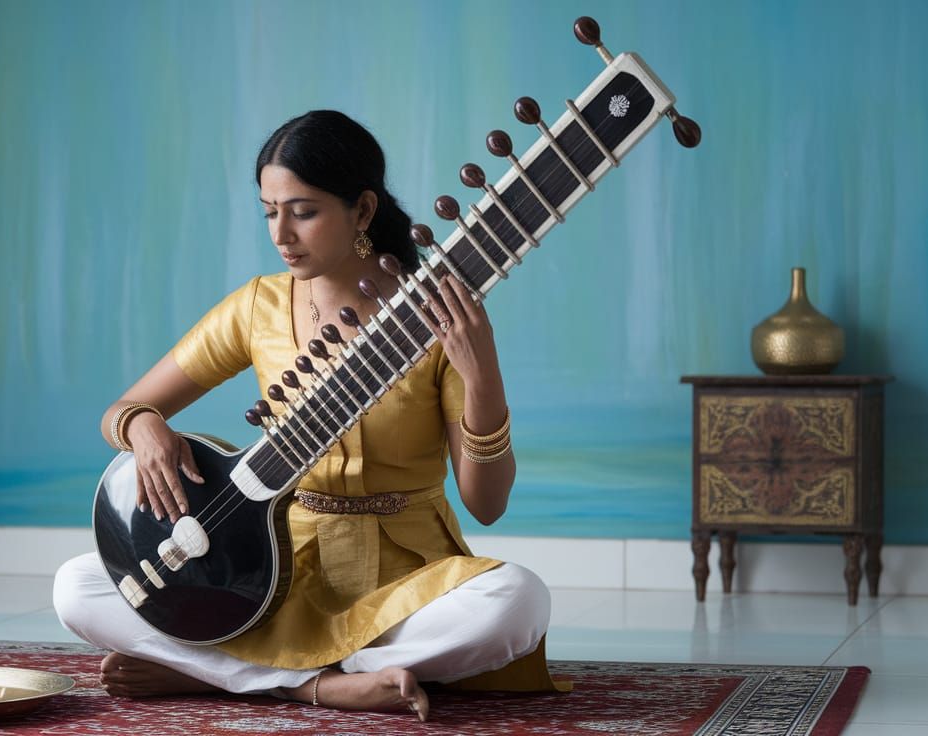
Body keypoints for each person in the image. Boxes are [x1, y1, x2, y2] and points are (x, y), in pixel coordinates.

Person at [54, 110, 564, 721]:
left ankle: (226, 672)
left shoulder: (435, 315)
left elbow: (487, 504)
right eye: (270, 211)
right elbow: (123, 410)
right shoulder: (257, 307)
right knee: (78, 585)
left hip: (403, 570)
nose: (281, 234)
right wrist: (145, 429)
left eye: (303, 211)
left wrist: (482, 376)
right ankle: (319, 686)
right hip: (274, 567)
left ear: (364, 211)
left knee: (516, 599)